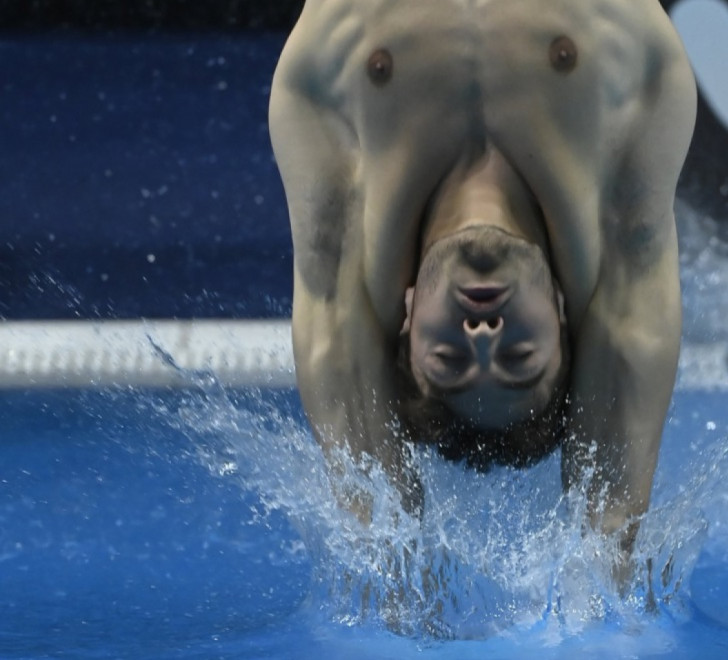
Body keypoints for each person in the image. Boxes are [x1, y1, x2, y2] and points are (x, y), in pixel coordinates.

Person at [269, 0, 696, 562]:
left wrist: (393, 567)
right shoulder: (616, 188)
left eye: (450, 358)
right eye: (519, 357)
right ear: (564, 319)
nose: (484, 331)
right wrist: (605, 560)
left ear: (408, 315)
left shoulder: (347, 206)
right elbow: (611, 514)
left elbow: (372, 513)